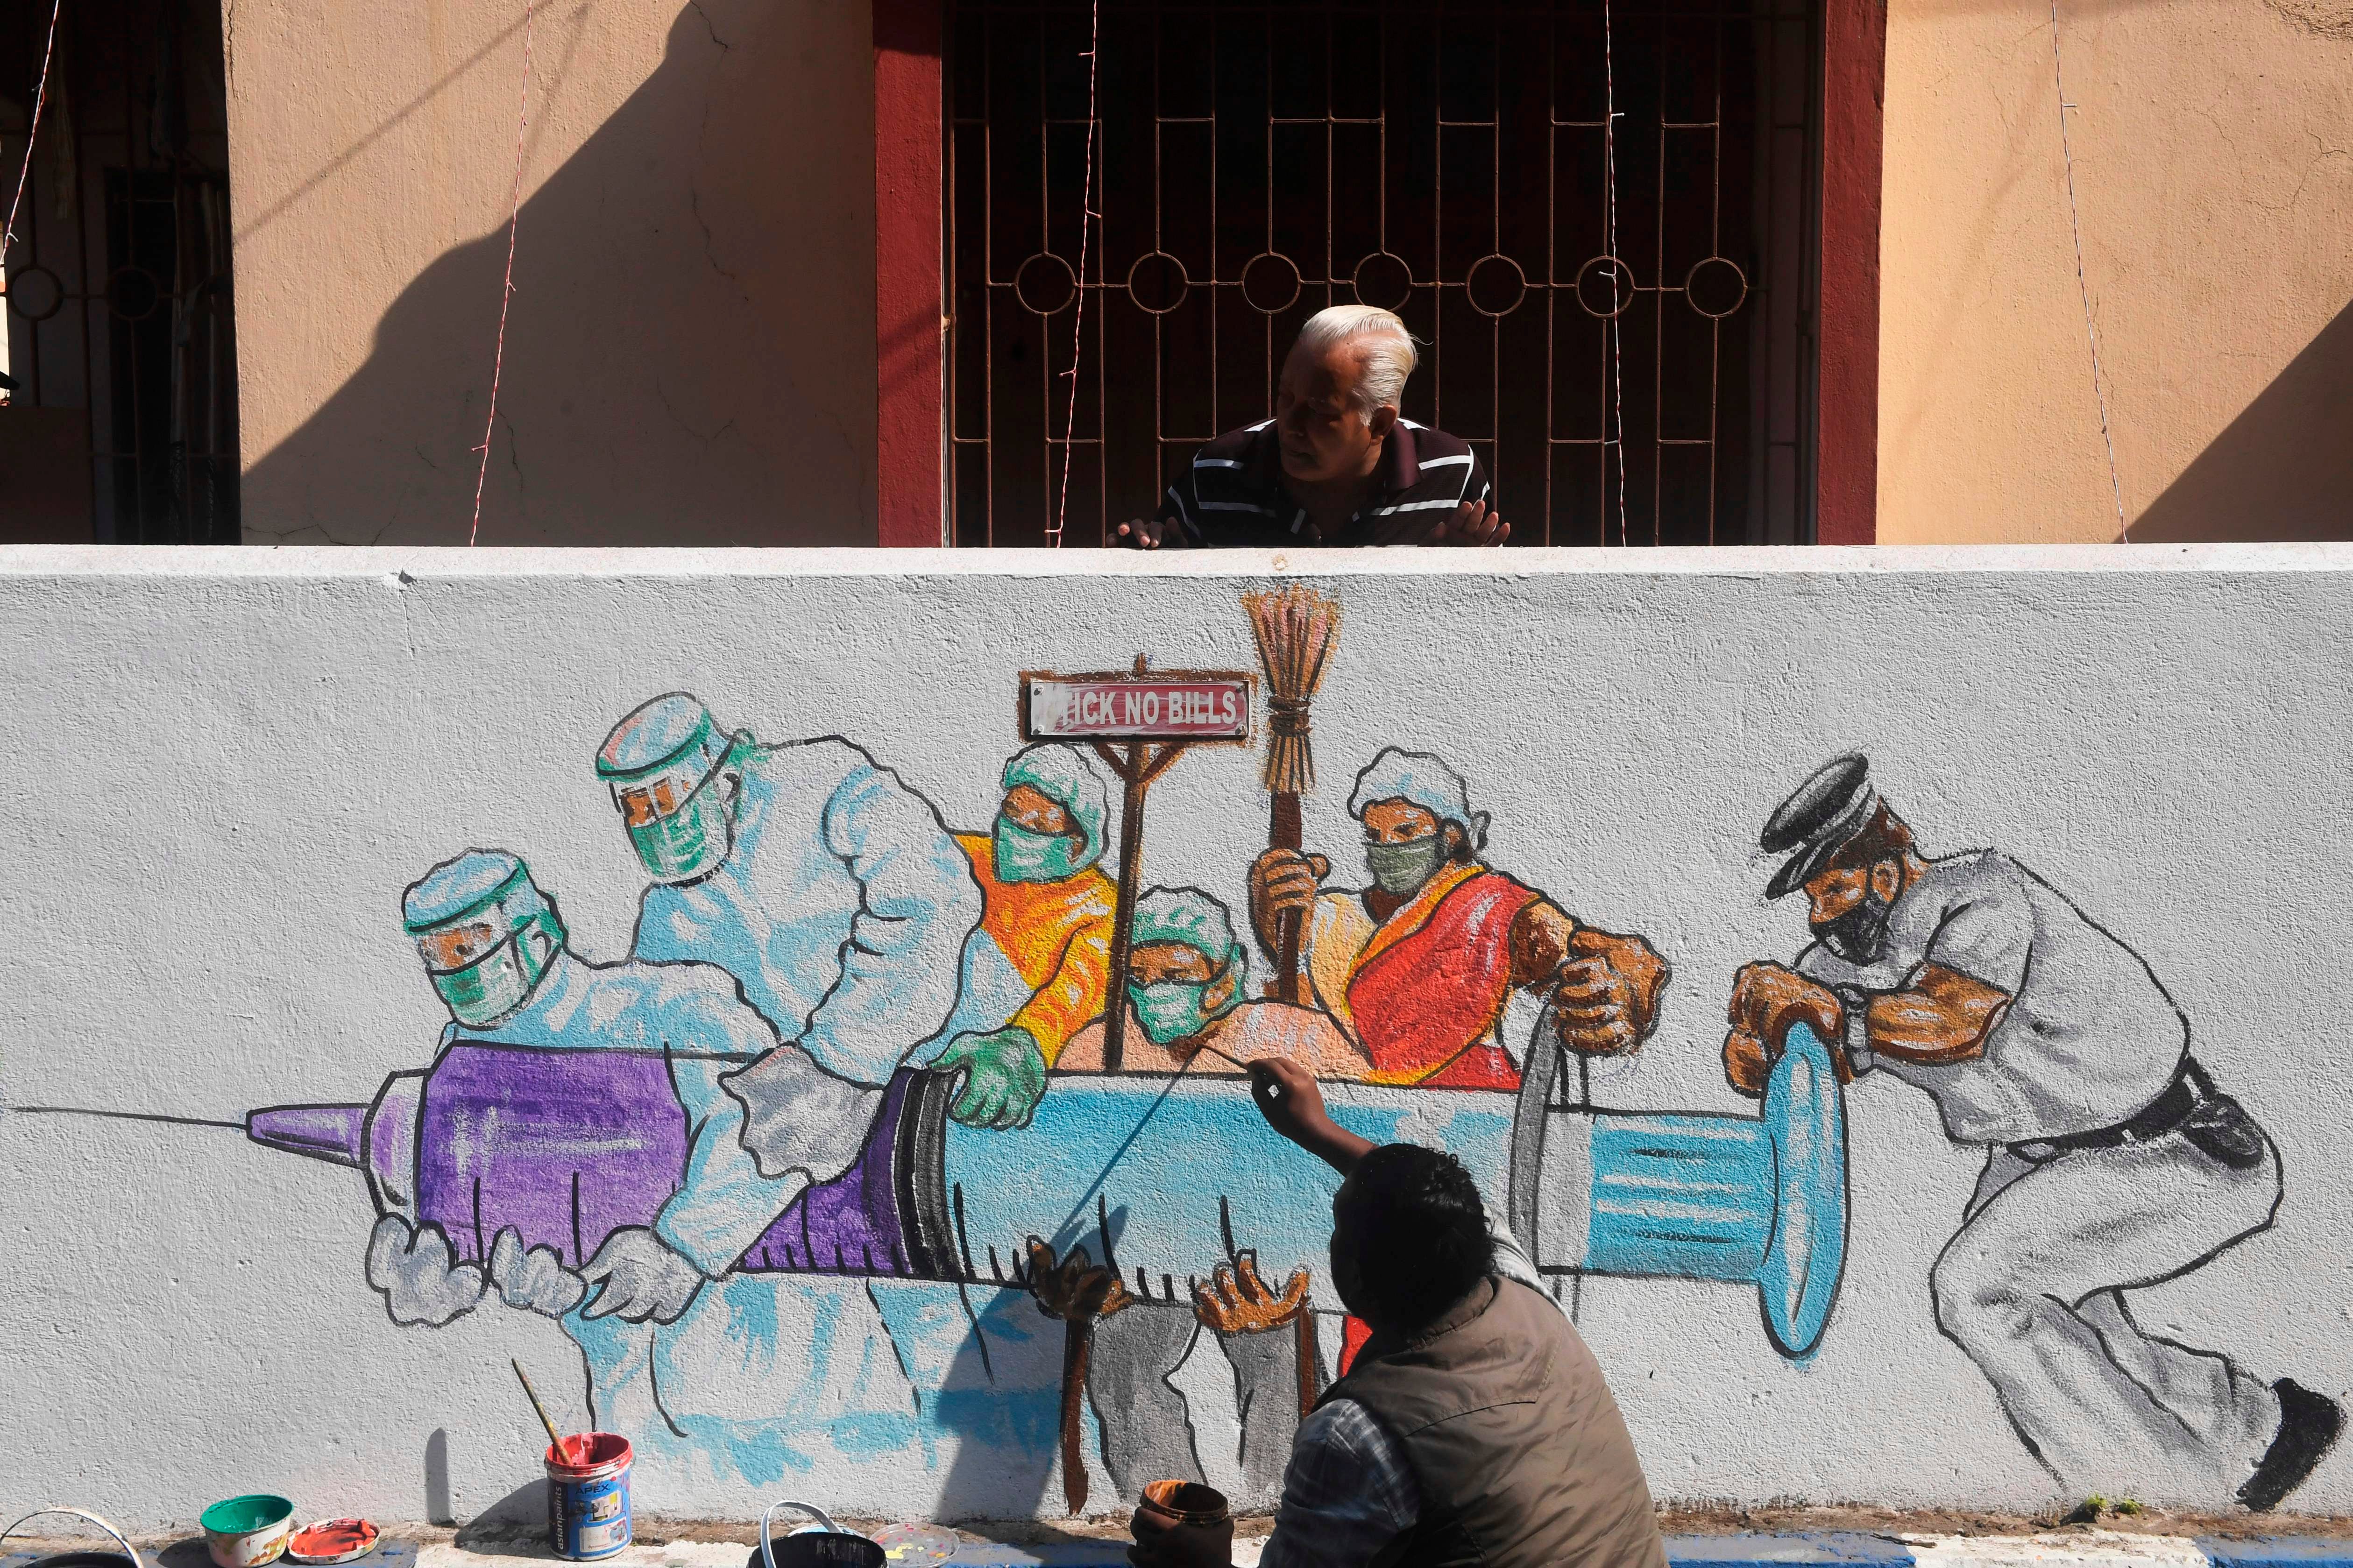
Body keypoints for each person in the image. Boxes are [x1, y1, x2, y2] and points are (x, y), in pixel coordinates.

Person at [1725, 754, 2340, 1509]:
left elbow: (1955, 1020)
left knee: (1978, 1289)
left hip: (2170, 1142)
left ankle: (2151, 1500)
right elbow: (1806, 1050)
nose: (1822, 911)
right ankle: (2257, 1430)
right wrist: (1765, 1042)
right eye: (1810, 893)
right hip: (2039, 1160)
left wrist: (1829, 1014)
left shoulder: (1977, 894)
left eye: (1833, 883)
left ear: (1882, 867)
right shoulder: (1838, 959)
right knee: (2081, 1333)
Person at [371, 850, 912, 1481]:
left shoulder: (670, 1003)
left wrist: (682, 1245)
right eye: (438, 953)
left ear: (536, 927)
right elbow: (484, 1210)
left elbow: (790, 1119)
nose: (458, 966)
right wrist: (442, 1265)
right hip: (644, 1421)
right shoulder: (464, 1064)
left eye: (473, 940)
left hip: (808, 1388)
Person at [1131, 1057, 1668, 1568]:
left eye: (1338, 1227)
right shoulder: (1521, 1291)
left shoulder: (1356, 1433)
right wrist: (1317, 1130)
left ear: (1355, 1281)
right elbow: (1449, 1210)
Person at [596, 692, 982, 1091]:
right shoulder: (668, 912)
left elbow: (932, 896)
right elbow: (651, 1015)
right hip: (797, 1097)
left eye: (666, 798)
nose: (660, 824)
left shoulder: (823, 783)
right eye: (639, 809)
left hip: (942, 1060)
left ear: (724, 779)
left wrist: (833, 1054)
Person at [1247, 747, 1669, 1090]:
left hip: (1472, 1108)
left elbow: (1598, 952)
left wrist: (1625, 984)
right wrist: (1270, 896)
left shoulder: (1490, 904)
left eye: (1406, 833)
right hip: (1345, 1105)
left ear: (1449, 837)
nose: (1387, 847)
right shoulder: (1330, 913)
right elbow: (1287, 977)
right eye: (1375, 835)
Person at [1113, 306, 1509, 550]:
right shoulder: (1216, 472)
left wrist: (1459, 572)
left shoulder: (1453, 472)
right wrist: (1149, 552)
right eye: (1286, 398)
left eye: (1320, 410)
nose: (1291, 424)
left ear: (1381, 423)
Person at [927, 744, 1122, 1128]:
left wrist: (1022, 1046)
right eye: (1012, 814)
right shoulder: (969, 858)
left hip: (982, 1082)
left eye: (1038, 826)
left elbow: (1076, 991)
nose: (1017, 832)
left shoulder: (1101, 908)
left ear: (1078, 842)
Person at [1057, 885, 1371, 1078]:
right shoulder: (1104, 1042)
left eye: (1175, 977)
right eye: (1138, 977)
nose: (1152, 990)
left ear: (1223, 982)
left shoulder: (1292, 1034)